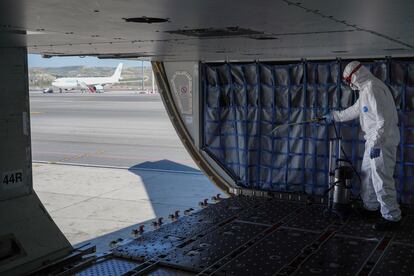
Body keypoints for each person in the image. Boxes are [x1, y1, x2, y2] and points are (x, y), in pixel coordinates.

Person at [323, 61, 401, 231]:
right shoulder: (366, 90)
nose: (350, 84)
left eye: (349, 80)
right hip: (373, 141)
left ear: (356, 76)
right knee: (367, 175)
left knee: (381, 179)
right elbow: (354, 110)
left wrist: (377, 144)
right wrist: (333, 116)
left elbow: (384, 120)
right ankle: (371, 207)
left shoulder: (373, 88)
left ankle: (392, 217)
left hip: (382, 142)